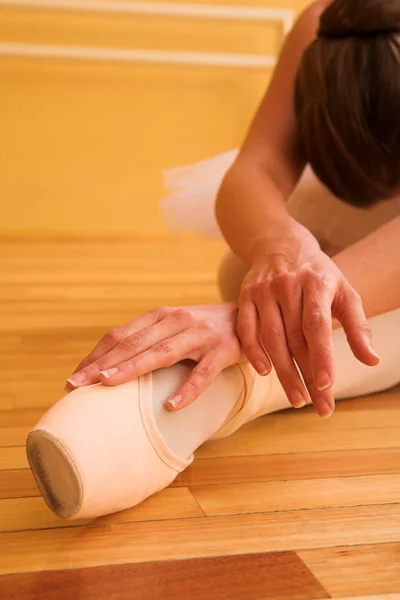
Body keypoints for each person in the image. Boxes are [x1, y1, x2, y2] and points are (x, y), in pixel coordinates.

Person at [27, 0, 400, 520]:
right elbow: (257, 167)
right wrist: (281, 247)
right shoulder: (326, 22)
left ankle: (228, 391)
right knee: (239, 271)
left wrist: (241, 325)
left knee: (279, 302)